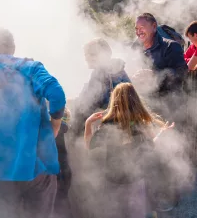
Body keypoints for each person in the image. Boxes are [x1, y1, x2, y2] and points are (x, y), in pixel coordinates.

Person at [0, 28, 66, 218]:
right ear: (13, 47)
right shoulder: (31, 68)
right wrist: (55, 125)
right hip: (36, 167)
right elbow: (57, 94)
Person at [84, 83, 176, 217]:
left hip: (112, 180)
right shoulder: (139, 123)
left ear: (114, 100)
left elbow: (89, 146)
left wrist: (88, 124)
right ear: (136, 100)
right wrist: (161, 133)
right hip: (135, 180)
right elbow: (151, 145)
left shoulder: (108, 124)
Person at [72, 38, 130, 137]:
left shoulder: (103, 73)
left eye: (92, 54)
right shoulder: (114, 69)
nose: (87, 58)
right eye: (86, 54)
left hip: (111, 126)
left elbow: (86, 104)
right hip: (118, 122)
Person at [132, 13, 187, 95]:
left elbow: (181, 73)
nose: (138, 32)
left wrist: (155, 74)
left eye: (142, 28)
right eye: (136, 29)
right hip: (146, 100)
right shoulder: (137, 49)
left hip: (169, 101)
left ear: (154, 26)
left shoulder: (170, 46)